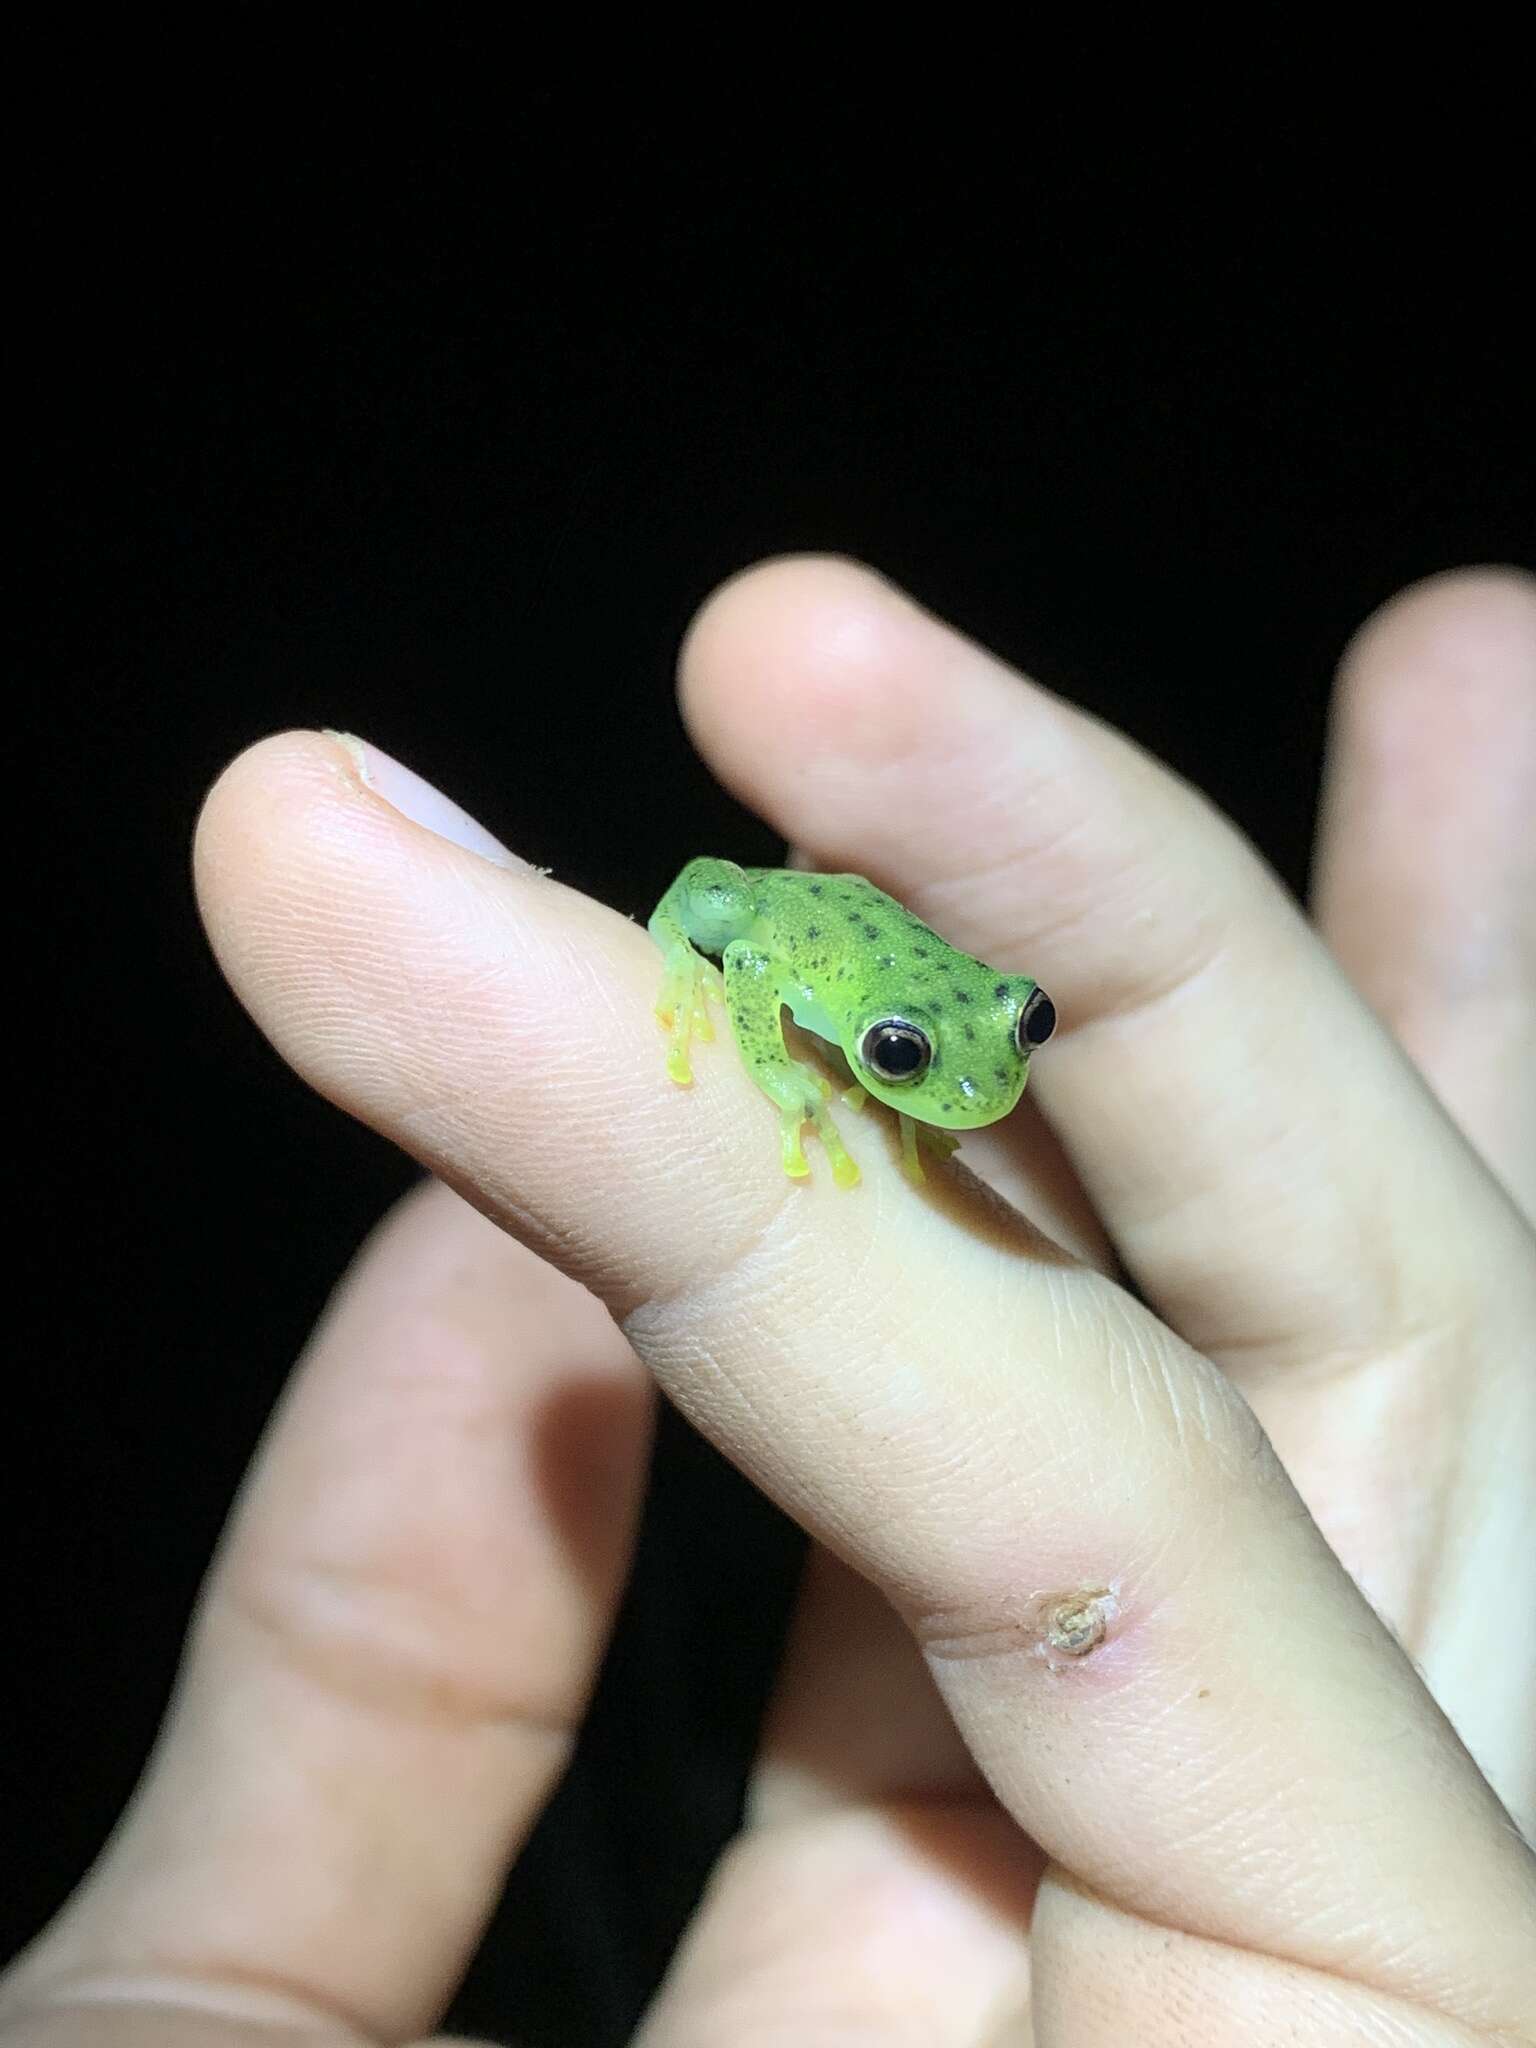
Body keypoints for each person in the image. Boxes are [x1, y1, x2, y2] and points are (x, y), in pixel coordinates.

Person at [2, 557, 1532, 2046]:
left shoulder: (957, 1032)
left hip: (885, 958)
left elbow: (956, 1036)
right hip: (786, 931)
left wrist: (934, 1063)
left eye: (1028, 1027)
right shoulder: (800, 975)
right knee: (732, 942)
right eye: (918, 1073)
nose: (994, 1079)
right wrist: (725, 1015)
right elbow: (714, 914)